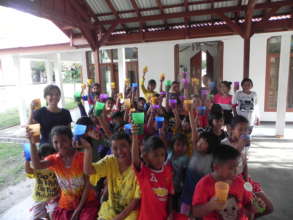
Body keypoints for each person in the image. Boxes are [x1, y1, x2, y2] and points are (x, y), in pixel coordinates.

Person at [27, 125, 98, 220]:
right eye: (55, 142)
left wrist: (78, 209)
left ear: (71, 140)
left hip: (86, 201)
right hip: (67, 202)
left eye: (64, 141)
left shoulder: (82, 158)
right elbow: (37, 165)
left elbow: (87, 186)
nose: (60, 145)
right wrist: (32, 143)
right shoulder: (54, 159)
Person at [221, 116, 274, 218]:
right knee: (248, 212)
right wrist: (239, 146)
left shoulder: (244, 144)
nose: (244, 132)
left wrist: (247, 180)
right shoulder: (224, 144)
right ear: (231, 130)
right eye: (240, 129)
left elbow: (244, 163)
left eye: (246, 130)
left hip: (243, 179)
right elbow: (227, 166)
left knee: (268, 207)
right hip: (230, 182)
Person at [82, 132, 141, 220]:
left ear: (130, 146)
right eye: (115, 148)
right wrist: (88, 148)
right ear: (111, 149)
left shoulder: (138, 167)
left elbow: (136, 202)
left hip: (130, 215)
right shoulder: (110, 161)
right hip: (109, 212)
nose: (119, 151)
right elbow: (88, 170)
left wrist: (117, 218)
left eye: (123, 146)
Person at [192, 144, 255, 220]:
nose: (236, 171)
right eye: (231, 168)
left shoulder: (239, 181)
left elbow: (248, 204)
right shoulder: (204, 184)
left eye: (237, 166)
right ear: (216, 168)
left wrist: (254, 207)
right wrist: (210, 205)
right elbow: (195, 212)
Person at [132, 133, 174, 220]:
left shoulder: (168, 171)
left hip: (162, 217)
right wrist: (135, 136)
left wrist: (170, 213)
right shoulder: (144, 172)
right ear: (146, 156)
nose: (160, 159)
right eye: (155, 155)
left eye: (162, 155)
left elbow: (170, 195)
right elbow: (135, 159)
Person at [25, 144, 60, 220]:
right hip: (39, 198)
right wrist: (27, 159)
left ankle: (48, 216)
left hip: (54, 197)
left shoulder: (56, 167)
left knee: (54, 214)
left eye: (50, 157)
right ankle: (47, 216)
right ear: (39, 158)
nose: (47, 160)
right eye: (45, 158)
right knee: (34, 218)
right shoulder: (38, 168)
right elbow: (28, 170)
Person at [167, 133, 189, 212]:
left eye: (183, 145)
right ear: (173, 145)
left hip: (177, 189)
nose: (180, 148)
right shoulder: (169, 154)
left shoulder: (186, 159)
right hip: (166, 186)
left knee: (175, 207)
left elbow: (185, 175)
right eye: (178, 144)